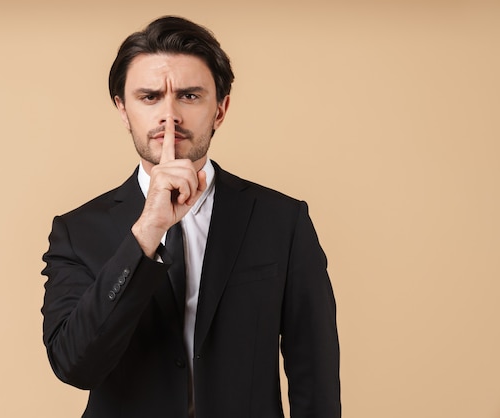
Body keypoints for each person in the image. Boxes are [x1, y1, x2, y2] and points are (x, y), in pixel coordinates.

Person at [41, 15, 340, 418]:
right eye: (149, 97)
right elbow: (74, 365)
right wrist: (147, 233)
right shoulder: (76, 231)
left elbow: (315, 373)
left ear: (220, 109)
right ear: (123, 110)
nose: (170, 116)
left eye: (190, 96)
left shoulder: (282, 221)